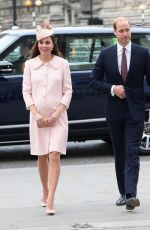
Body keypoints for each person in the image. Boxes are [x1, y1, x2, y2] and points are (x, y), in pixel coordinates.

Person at [90, 17, 150, 211]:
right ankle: (123, 193)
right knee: (120, 153)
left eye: (128, 30)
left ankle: (131, 194)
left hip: (135, 111)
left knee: (132, 152)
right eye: (121, 31)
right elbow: (94, 81)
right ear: (114, 33)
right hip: (115, 111)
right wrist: (113, 88)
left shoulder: (143, 53)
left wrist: (140, 95)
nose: (125, 34)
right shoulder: (105, 54)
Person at [22, 22, 72, 215]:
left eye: (48, 42)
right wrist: (36, 114)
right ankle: (45, 191)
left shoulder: (62, 64)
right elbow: (26, 92)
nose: (44, 45)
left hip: (58, 118)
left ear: (53, 44)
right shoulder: (29, 65)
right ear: (38, 44)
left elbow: (68, 91)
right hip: (37, 119)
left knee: (54, 155)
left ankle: (51, 199)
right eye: (41, 42)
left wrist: (55, 114)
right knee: (42, 156)